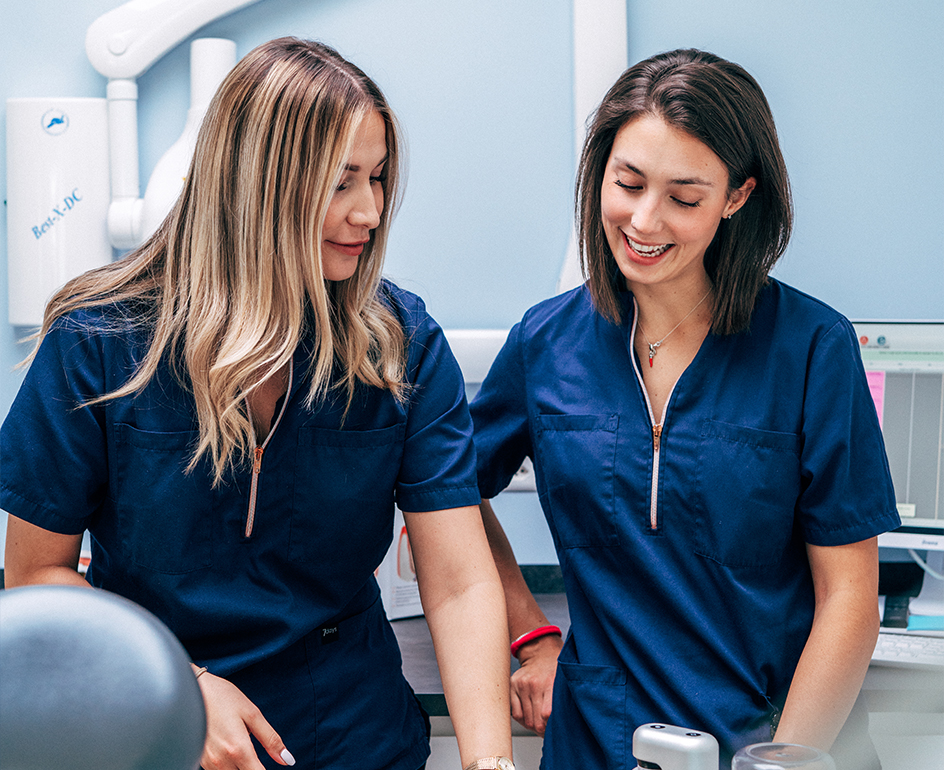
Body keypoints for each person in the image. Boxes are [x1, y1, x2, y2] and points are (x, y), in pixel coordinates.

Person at [2, 37, 514, 770]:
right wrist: (182, 686)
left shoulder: (398, 345)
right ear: (258, 185)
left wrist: (489, 762)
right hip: (155, 724)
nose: (369, 212)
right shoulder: (100, 342)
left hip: (347, 732)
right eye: (342, 183)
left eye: (377, 178)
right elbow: (34, 576)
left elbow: (461, 583)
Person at [470, 48, 899, 770]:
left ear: (736, 197)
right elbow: (445, 495)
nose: (644, 220)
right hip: (601, 738)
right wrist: (529, 631)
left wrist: (783, 760)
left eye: (684, 196)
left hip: (770, 734)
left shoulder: (812, 348)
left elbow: (850, 598)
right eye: (627, 182)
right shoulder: (545, 344)